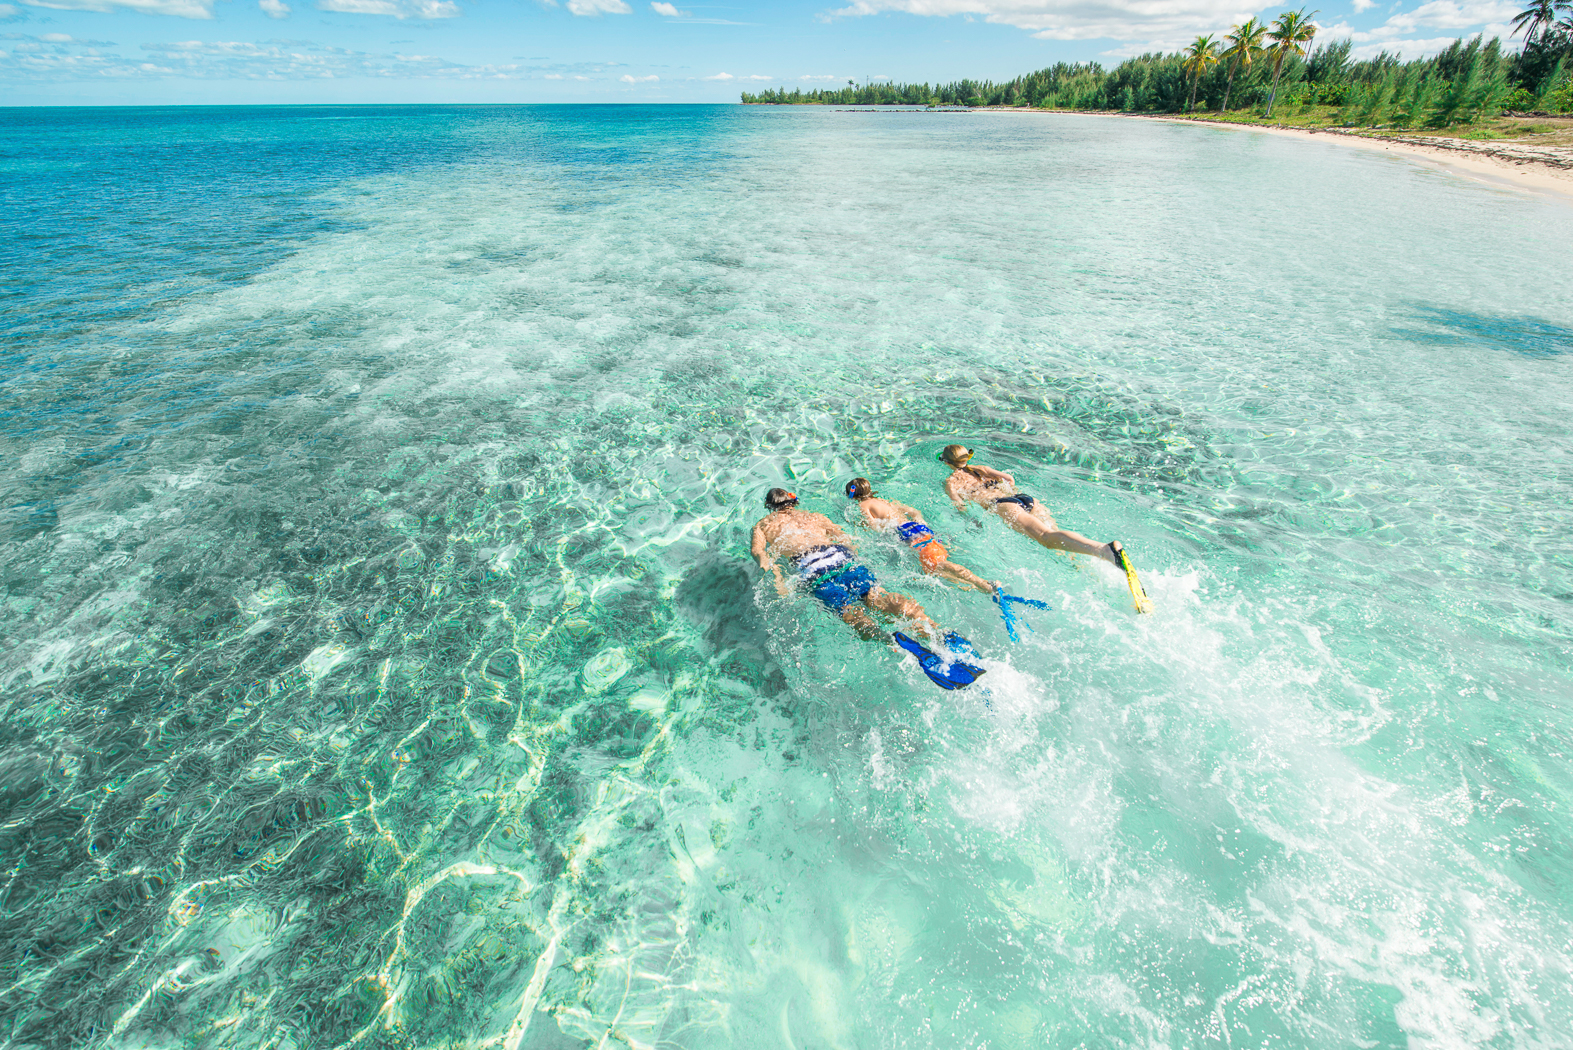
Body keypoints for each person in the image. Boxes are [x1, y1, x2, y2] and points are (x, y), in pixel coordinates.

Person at [750, 487, 985, 688]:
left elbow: (761, 556)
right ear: (794, 501)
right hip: (843, 560)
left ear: (769, 506)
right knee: (879, 597)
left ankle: (893, 643)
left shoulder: (763, 526)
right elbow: (844, 538)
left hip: (814, 571)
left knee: (853, 614)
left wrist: (777, 579)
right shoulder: (814, 516)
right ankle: (936, 631)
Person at [936, 445, 1153, 613]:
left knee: (1046, 538)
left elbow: (960, 506)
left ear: (946, 462)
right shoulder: (981, 468)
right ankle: (1085, 566)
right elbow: (1009, 479)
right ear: (968, 457)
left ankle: (1104, 550)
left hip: (1004, 505)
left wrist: (973, 517)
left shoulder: (951, 482)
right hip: (1025, 498)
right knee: (1059, 538)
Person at [843, 477, 998, 595]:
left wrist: (860, 526)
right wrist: (922, 524)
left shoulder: (863, 506)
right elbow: (914, 511)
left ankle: (984, 583)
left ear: (852, 495)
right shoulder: (883, 501)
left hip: (907, 533)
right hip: (918, 528)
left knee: (939, 564)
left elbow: (874, 527)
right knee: (931, 569)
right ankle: (976, 587)